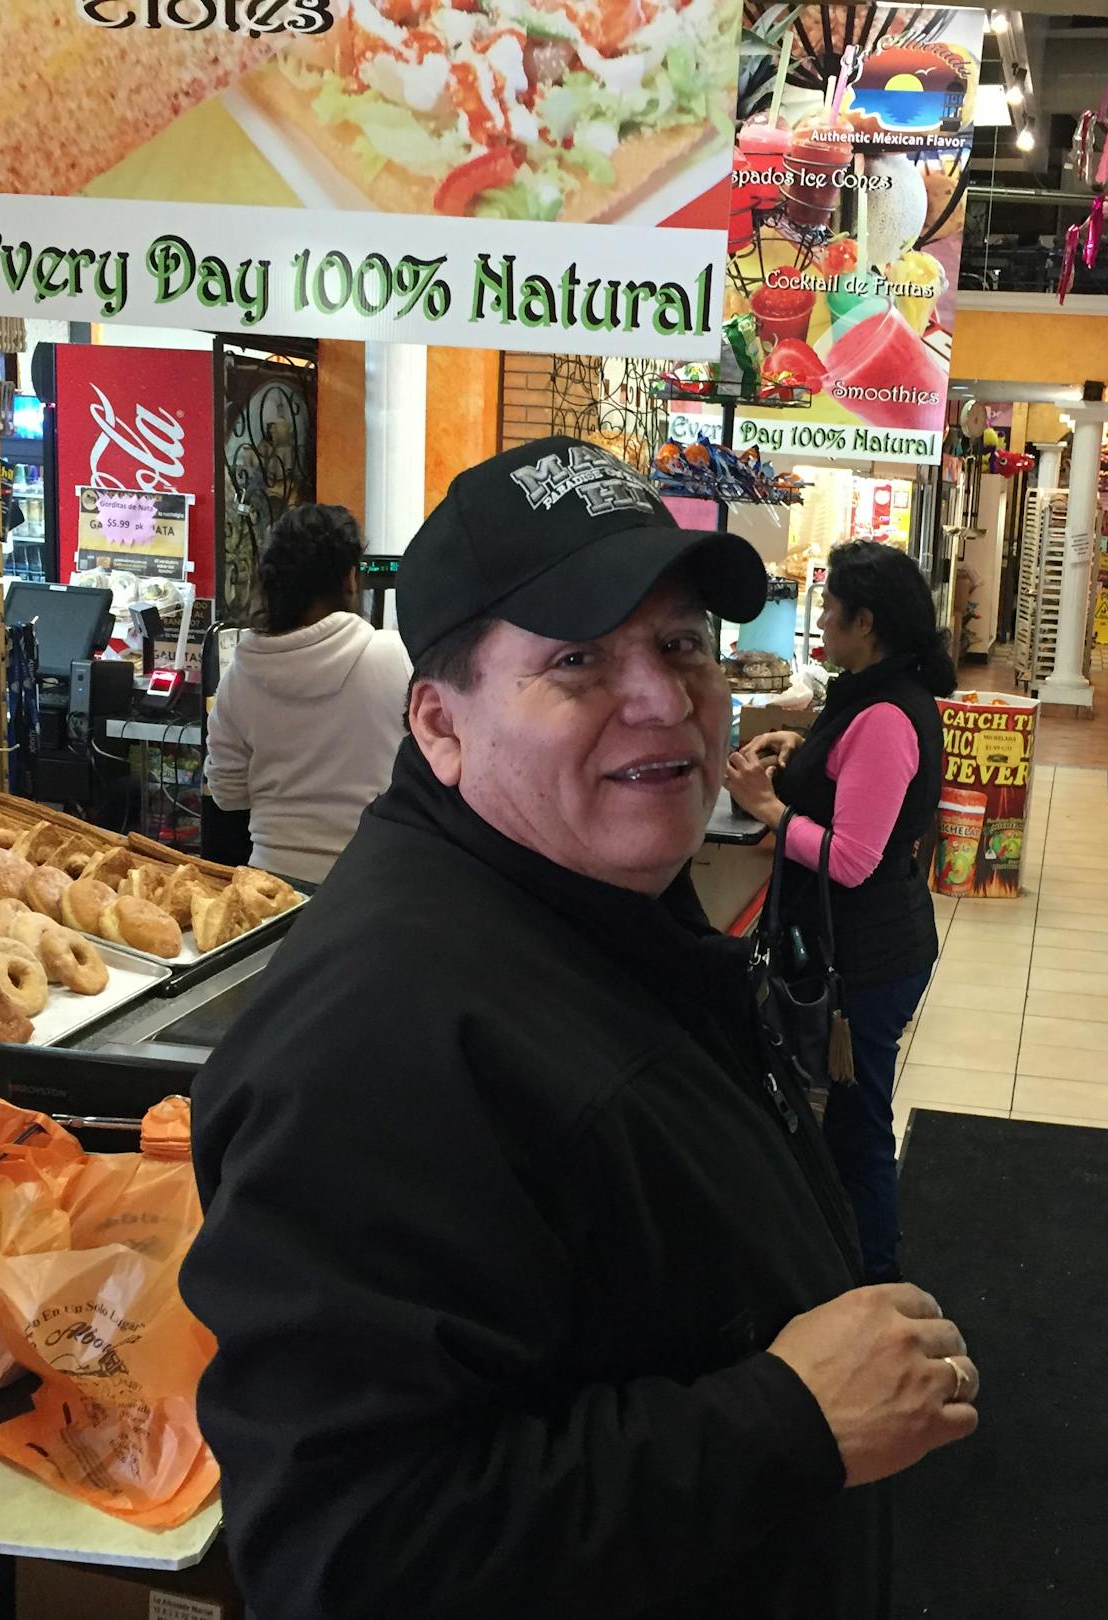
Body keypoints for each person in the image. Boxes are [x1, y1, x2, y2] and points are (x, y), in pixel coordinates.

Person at [182, 438, 978, 1620]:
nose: (664, 698)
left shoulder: (585, 899)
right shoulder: (377, 1049)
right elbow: (355, 1556)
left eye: (680, 644)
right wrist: (784, 1421)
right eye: (578, 661)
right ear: (441, 727)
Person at [723, 541, 952, 1283]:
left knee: (858, 1130)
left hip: (869, 960)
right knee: (840, 1121)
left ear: (867, 621)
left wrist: (766, 806)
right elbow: (847, 772)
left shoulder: (888, 713)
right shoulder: (865, 690)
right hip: (852, 947)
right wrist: (800, 749)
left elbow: (854, 858)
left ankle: (876, 1279)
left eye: (830, 607)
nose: (819, 617)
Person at [202, 503, 411, 883]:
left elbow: (226, 794)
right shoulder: (394, 657)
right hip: (371, 884)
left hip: (270, 891)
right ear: (350, 579)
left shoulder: (240, 674)